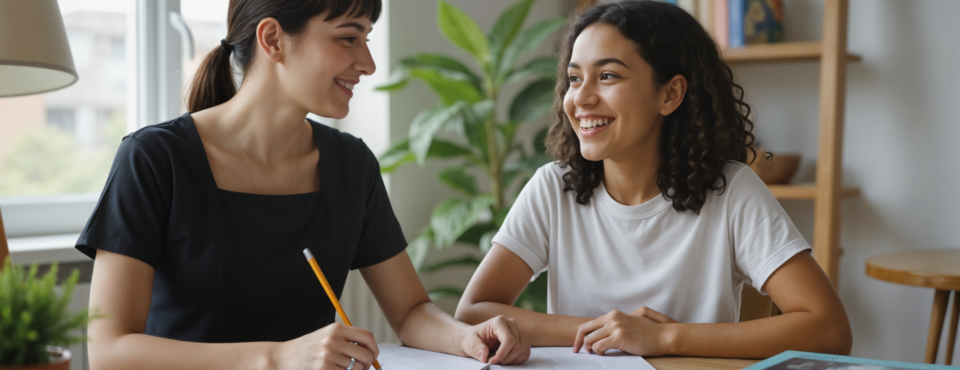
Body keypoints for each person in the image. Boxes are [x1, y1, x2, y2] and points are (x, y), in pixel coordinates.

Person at [78, 1, 530, 369]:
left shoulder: (351, 166)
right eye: (348, 39)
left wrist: (466, 337)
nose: (368, 64)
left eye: (367, 40)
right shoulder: (155, 159)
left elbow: (411, 313)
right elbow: (109, 351)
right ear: (273, 39)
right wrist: (276, 357)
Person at [455, 1, 852, 359]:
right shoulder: (552, 188)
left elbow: (829, 328)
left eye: (607, 76)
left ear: (670, 94)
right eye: (575, 79)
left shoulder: (732, 192)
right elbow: (474, 311)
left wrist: (664, 338)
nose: (581, 98)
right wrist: (607, 332)